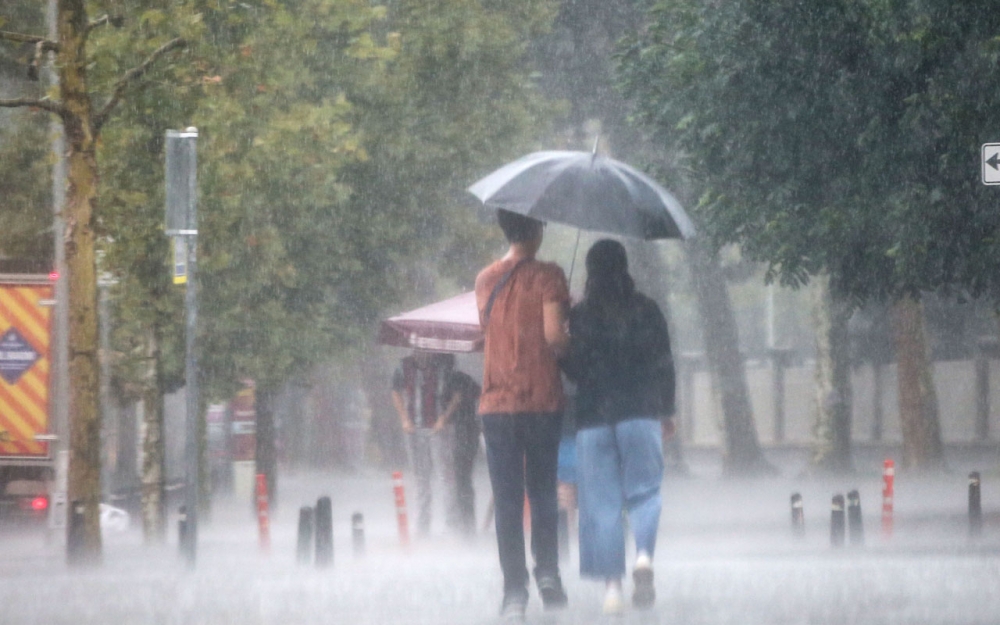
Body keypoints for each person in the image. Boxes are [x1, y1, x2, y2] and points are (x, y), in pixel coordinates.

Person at [560, 239, 676, 615]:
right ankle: (643, 556)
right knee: (644, 492)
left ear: (591, 272)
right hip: (641, 413)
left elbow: (575, 372)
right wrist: (667, 410)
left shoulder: (580, 316)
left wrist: (566, 339)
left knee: (600, 504)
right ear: (625, 267)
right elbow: (664, 363)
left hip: (594, 418)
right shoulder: (647, 309)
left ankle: (612, 589)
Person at [475, 208, 570, 620]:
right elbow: (553, 337)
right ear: (537, 229)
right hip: (541, 400)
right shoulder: (550, 275)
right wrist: (567, 340)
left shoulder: (485, 279)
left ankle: (514, 590)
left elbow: (487, 330)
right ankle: (548, 572)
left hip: (497, 404)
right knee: (543, 491)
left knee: (508, 499)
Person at [391, 350, 457, 536]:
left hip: (439, 428)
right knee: (421, 478)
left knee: (446, 477)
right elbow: (395, 391)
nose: (421, 351)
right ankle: (422, 527)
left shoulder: (444, 365)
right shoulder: (403, 366)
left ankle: (451, 526)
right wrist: (404, 418)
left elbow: (457, 394)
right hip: (414, 429)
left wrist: (444, 418)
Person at [437, 366, 481, 537]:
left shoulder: (455, 379)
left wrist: (445, 418)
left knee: (460, 480)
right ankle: (465, 524)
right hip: (467, 432)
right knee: (461, 481)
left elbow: (460, 398)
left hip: (460, 433)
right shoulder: (464, 378)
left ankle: (464, 525)